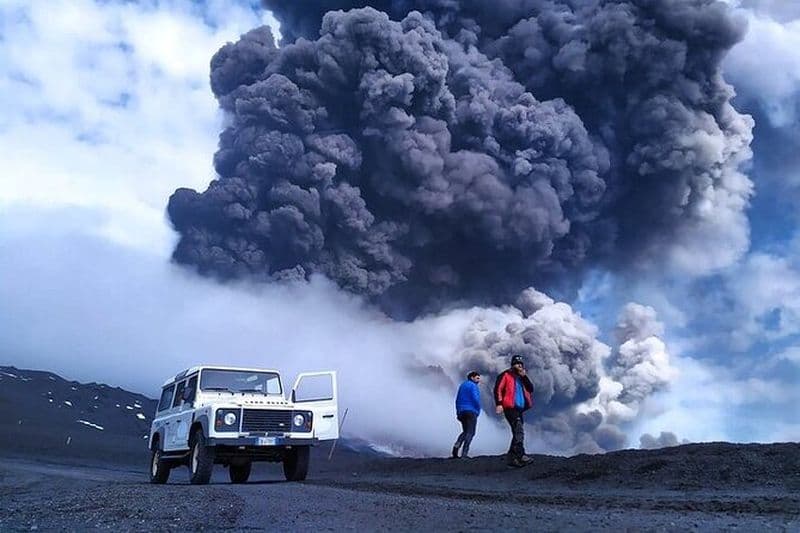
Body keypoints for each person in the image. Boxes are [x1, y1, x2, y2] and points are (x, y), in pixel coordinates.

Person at [494, 355, 534, 467]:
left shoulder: (522, 378)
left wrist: (524, 377)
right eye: (517, 363)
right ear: (512, 364)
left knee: (517, 432)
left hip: (520, 409)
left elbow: (531, 389)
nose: (519, 365)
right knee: (519, 430)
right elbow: (498, 389)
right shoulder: (505, 375)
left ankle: (512, 459)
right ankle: (521, 455)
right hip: (510, 408)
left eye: (521, 364)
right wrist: (499, 404)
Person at [452, 371, 481, 458]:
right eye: (477, 378)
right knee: (471, 432)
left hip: (461, 411)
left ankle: (456, 447)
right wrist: (478, 409)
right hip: (471, 411)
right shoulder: (473, 386)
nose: (479, 380)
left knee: (465, 431)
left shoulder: (462, 385)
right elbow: (476, 398)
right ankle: (464, 454)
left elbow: (457, 400)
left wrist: (458, 412)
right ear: (472, 377)